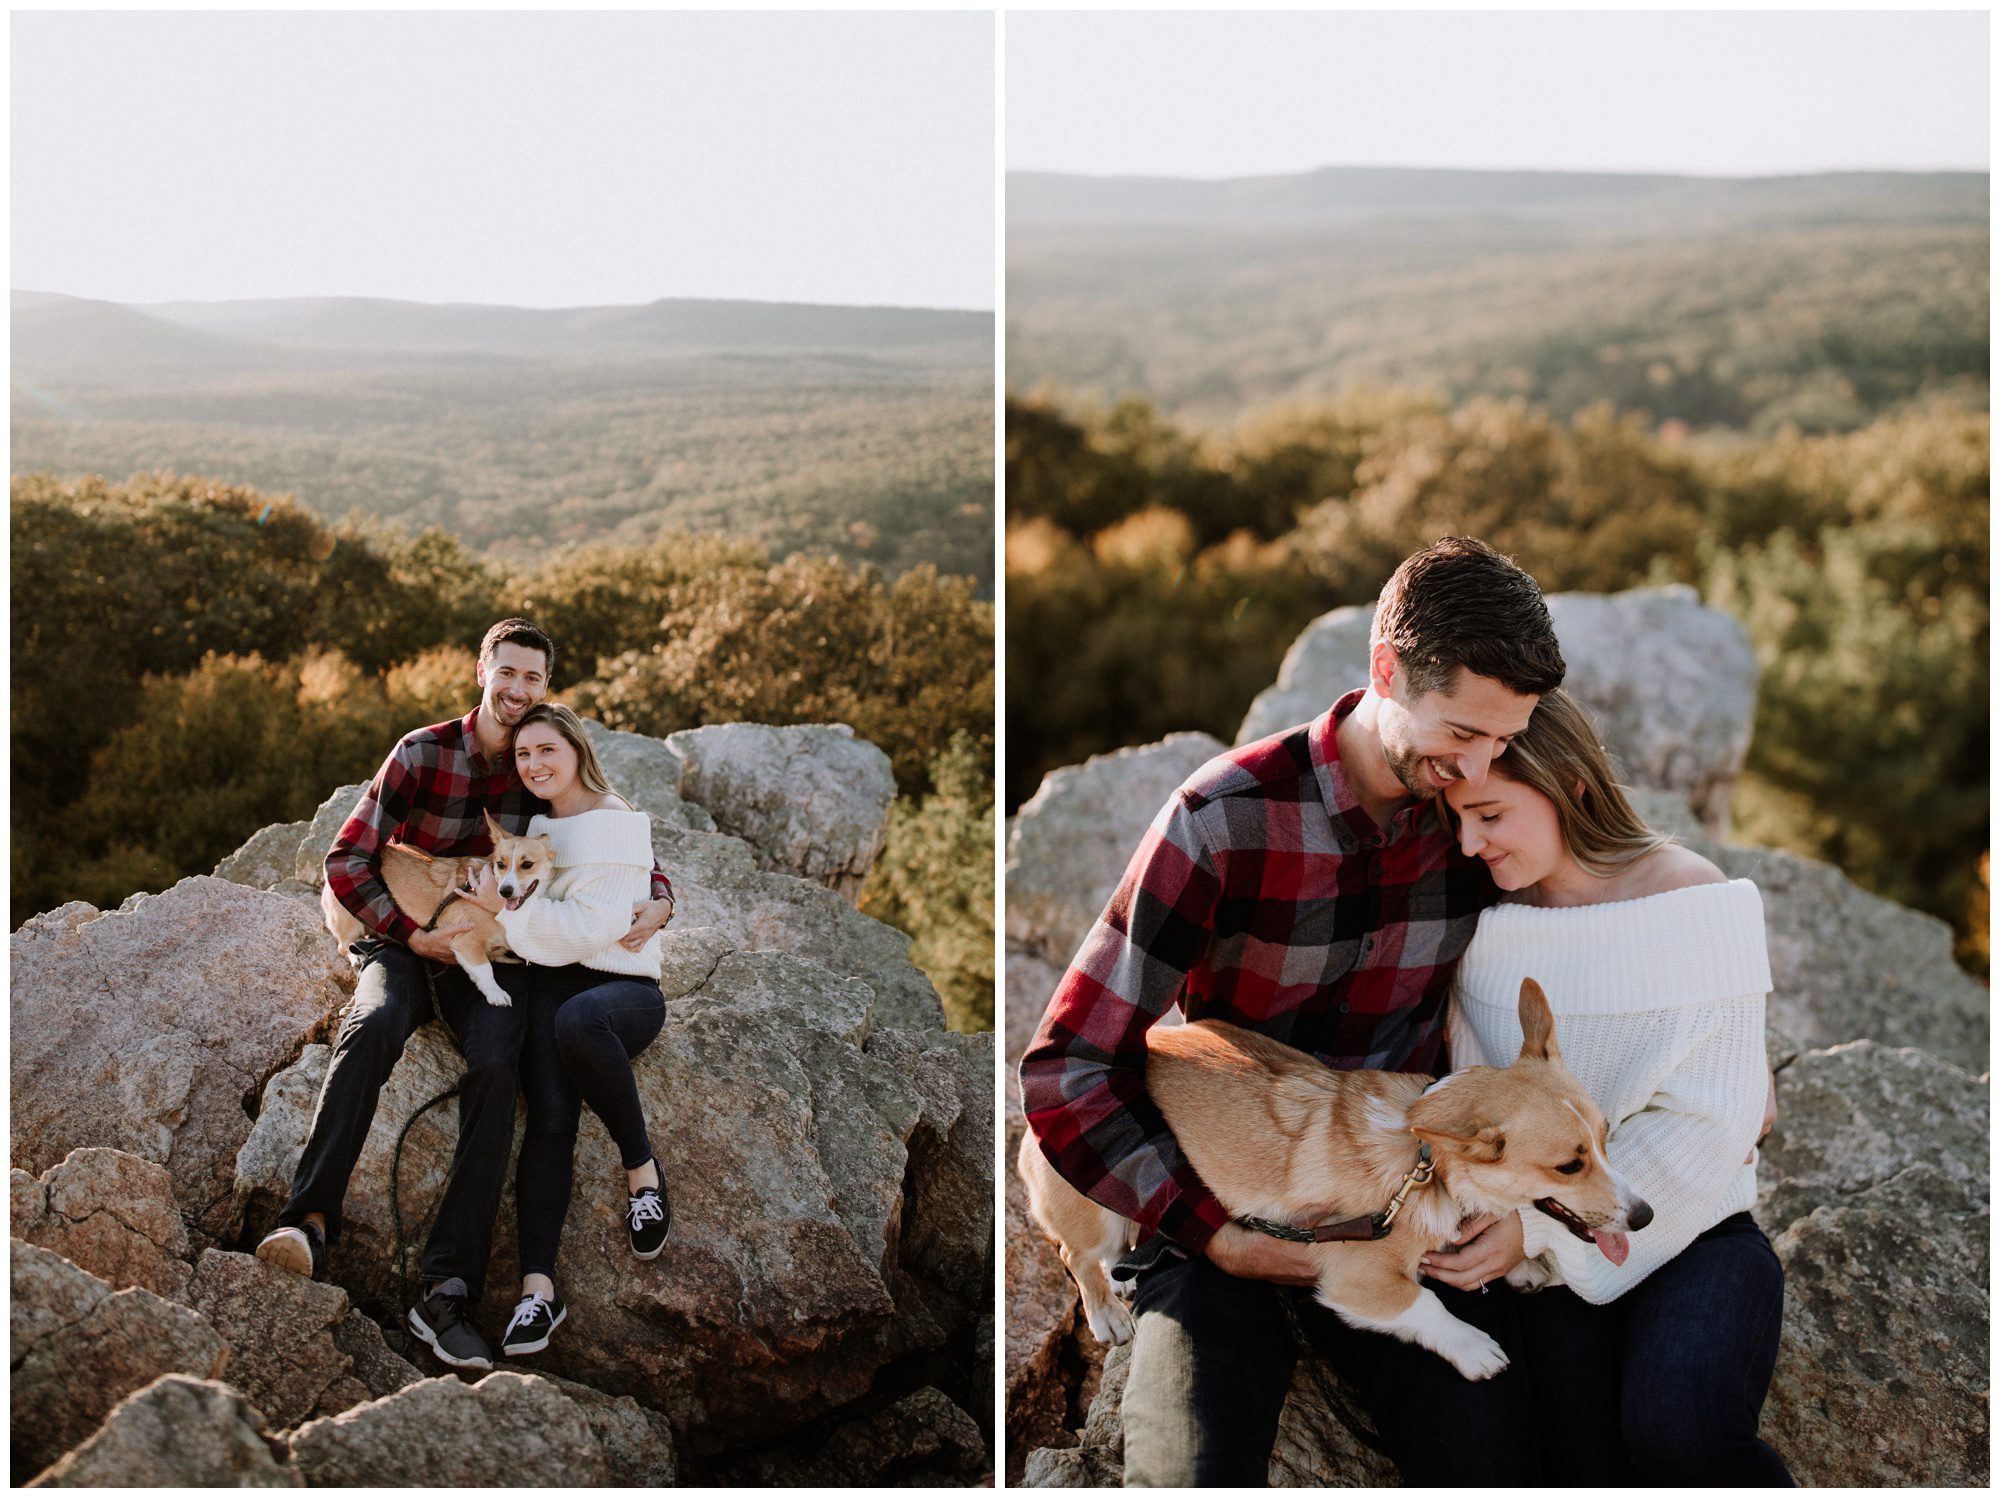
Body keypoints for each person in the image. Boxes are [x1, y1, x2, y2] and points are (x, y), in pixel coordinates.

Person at [1019, 536, 1565, 1485]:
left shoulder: (1482, 827)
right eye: (1461, 735)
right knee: (1190, 1468)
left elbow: (1602, 917)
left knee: (1499, 1456)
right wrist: (1213, 1232)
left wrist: (1723, 1026)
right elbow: (1066, 1067)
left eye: (1505, 739)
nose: (1482, 766)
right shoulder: (1223, 818)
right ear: (1385, 670)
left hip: (1409, 1217)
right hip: (1222, 1203)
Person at [254, 619, 677, 1373]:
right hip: (410, 937)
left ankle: (445, 1292)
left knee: (496, 1063)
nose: (518, 691)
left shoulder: (534, 767)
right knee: (376, 1023)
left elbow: (606, 841)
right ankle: (308, 1222)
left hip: (492, 955)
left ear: (546, 689)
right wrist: (405, 934)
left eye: (534, 679)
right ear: (482, 669)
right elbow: (346, 857)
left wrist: (660, 894)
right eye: (507, 673)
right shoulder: (423, 753)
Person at [1432, 687, 1791, 1483]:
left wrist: (1540, 1233)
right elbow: (1474, 1093)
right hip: (1541, 1264)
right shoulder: (1482, 926)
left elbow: (1719, 1119)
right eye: (1456, 818)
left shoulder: (1692, 896)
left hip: (1698, 1235)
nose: (1468, 843)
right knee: (1579, 1467)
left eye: (1489, 815)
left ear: (1569, 785)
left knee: (1681, 1431)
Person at [447, 702, 671, 1358]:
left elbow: (591, 928)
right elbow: (509, 875)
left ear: (576, 749)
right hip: (548, 978)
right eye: (523, 755)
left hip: (620, 985)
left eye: (547, 750)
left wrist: (506, 913)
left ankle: (642, 1172)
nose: (535, 764)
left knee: (578, 1022)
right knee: (547, 1117)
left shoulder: (617, 820)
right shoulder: (534, 822)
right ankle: (537, 1295)